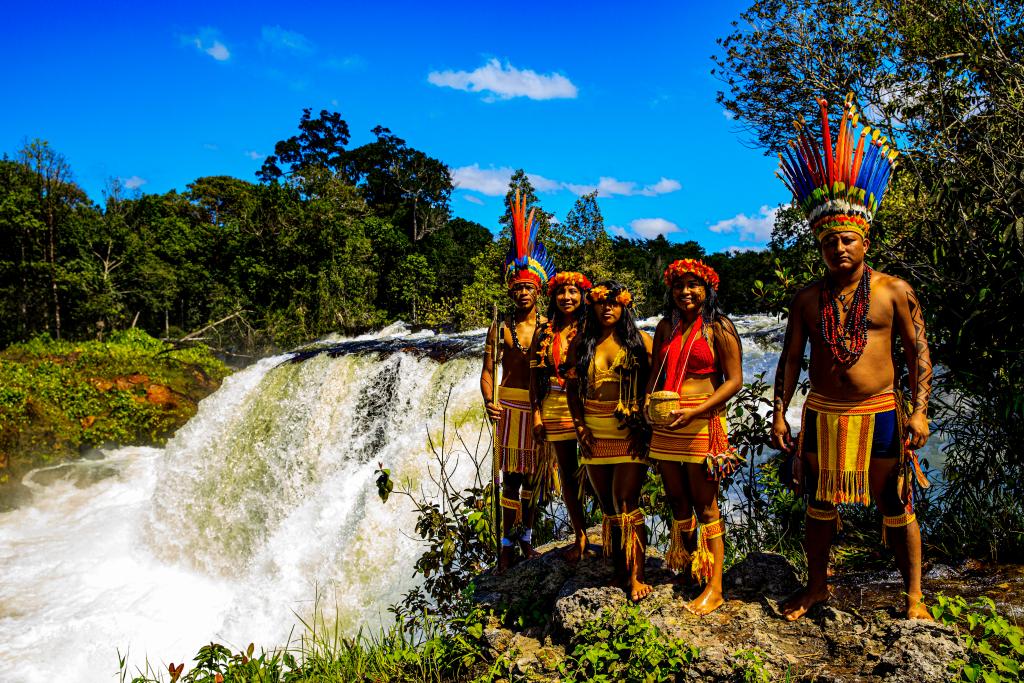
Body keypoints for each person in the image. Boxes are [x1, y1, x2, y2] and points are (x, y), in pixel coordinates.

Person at [771, 95, 933, 621]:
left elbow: (918, 352)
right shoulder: (807, 299)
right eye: (829, 242)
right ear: (819, 247)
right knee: (819, 503)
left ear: (864, 241)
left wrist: (919, 411)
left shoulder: (893, 291)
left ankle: (914, 598)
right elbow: (790, 359)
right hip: (823, 412)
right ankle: (817, 587)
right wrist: (779, 413)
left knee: (895, 500)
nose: (838, 248)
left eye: (847, 240)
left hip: (879, 411)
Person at [646, 259, 743, 616]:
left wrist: (697, 411)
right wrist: (646, 402)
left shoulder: (719, 327)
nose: (685, 292)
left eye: (693, 285)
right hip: (666, 419)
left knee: (705, 505)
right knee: (677, 501)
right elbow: (656, 372)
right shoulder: (665, 327)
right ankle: (689, 570)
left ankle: (715, 587)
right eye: (679, 286)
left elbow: (734, 381)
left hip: (702, 420)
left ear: (707, 289)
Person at [481, 190, 557, 572]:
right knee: (511, 479)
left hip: (539, 406)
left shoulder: (550, 327)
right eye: (517, 287)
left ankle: (526, 537)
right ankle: (507, 545)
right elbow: (487, 372)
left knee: (534, 480)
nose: (523, 292)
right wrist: (488, 401)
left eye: (528, 287)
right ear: (511, 290)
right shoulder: (500, 327)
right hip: (509, 406)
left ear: (538, 290)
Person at [566, 281, 653, 601]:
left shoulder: (640, 341)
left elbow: (655, 382)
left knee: (626, 502)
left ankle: (637, 575)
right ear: (593, 306)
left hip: (629, 431)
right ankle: (620, 568)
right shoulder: (582, 343)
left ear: (624, 306)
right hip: (593, 433)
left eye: (614, 303)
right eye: (602, 303)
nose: (608, 308)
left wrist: (647, 424)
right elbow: (571, 390)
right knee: (608, 507)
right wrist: (579, 427)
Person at [530, 271, 593, 562]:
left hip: (589, 404)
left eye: (573, 292)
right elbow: (534, 377)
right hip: (554, 404)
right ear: (553, 297)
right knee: (568, 473)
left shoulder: (592, 326)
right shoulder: (544, 331)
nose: (566, 297)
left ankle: (610, 531)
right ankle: (580, 535)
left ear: (582, 296)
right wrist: (536, 415)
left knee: (598, 469)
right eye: (561, 292)